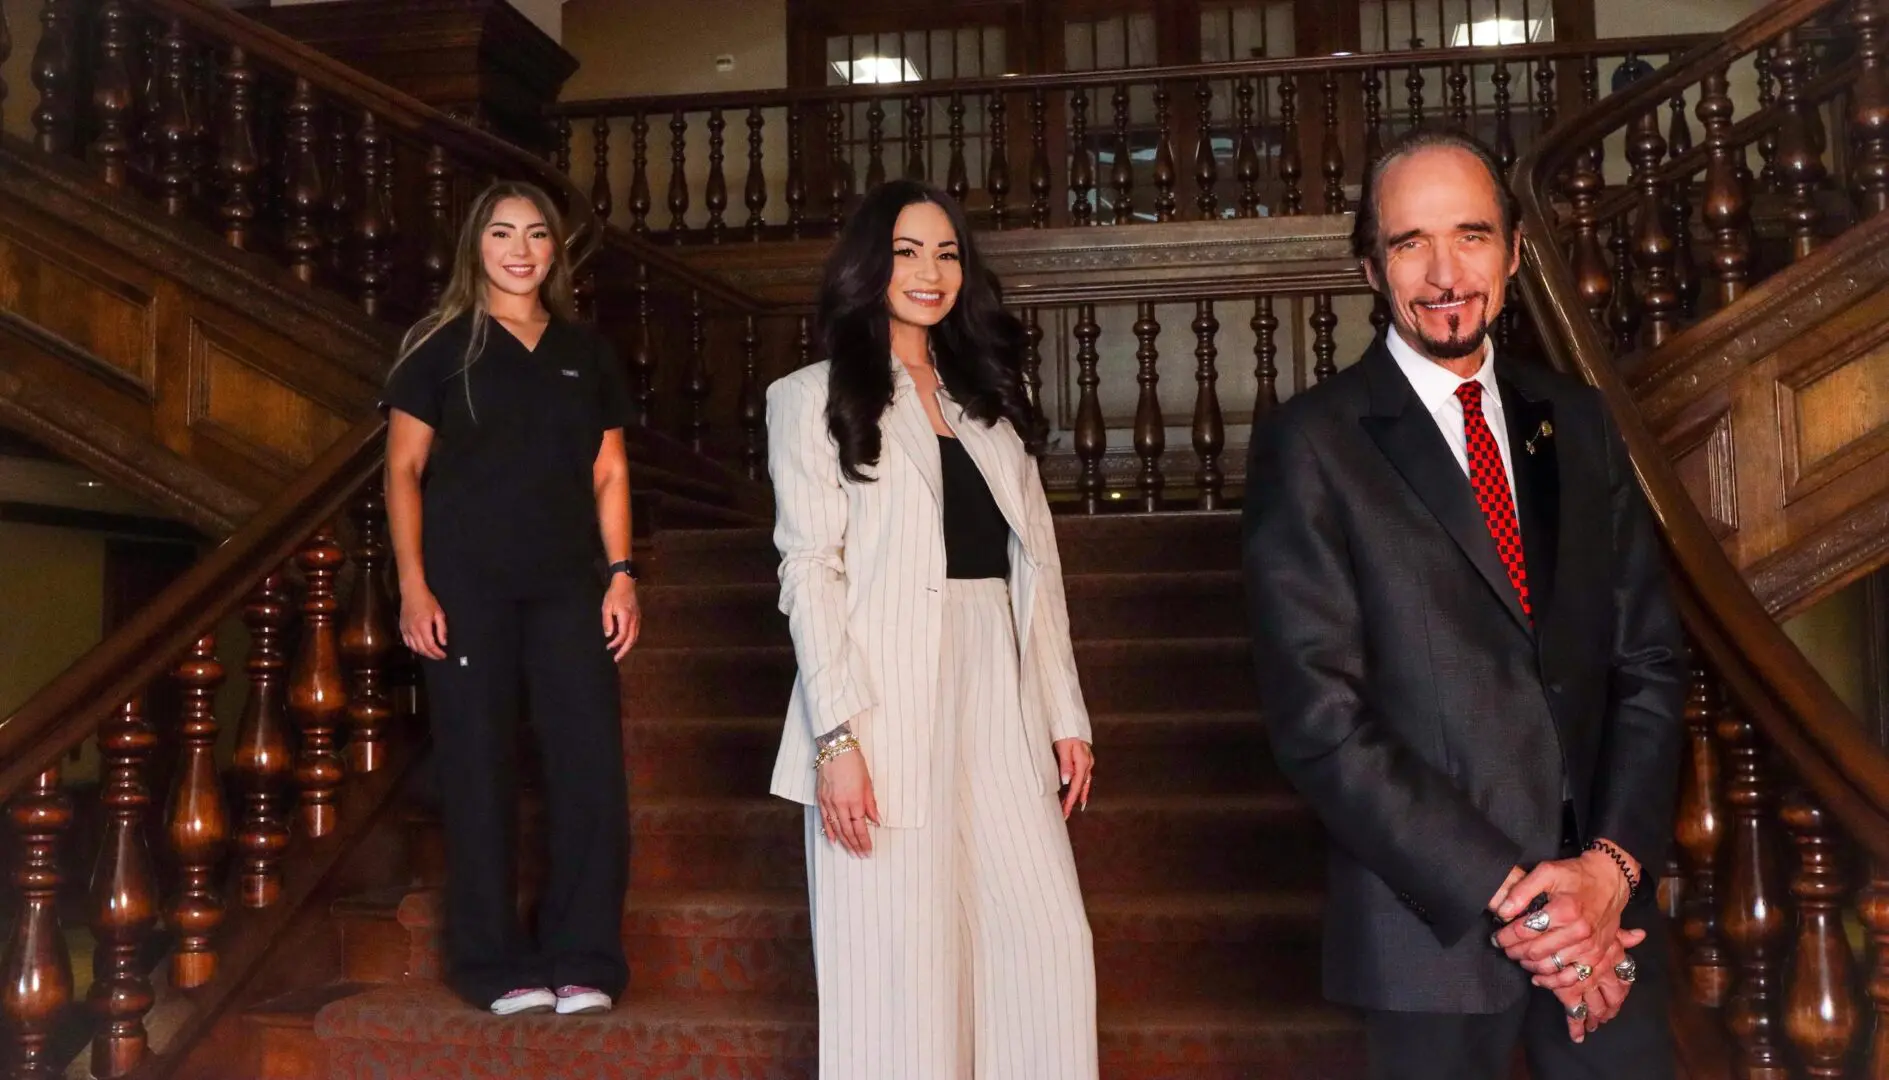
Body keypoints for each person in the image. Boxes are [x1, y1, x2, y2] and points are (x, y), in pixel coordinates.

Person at [1241, 130, 1685, 1079]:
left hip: (1608, 923)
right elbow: (1320, 724)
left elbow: (1646, 663)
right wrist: (1523, 903)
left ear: (1515, 249)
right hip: (1429, 942)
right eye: (1409, 244)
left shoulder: (1577, 419)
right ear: (1370, 265)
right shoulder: (1310, 446)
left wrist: (1607, 873)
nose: (1445, 273)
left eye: (1471, 235)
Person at [766, 180, 1099, 1080]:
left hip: (997, 677)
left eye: (947, 253)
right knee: (896, 964)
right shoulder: (809, 397)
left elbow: (1040, 569)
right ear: (869, 265)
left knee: (1042, 941)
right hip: (878, 700)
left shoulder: (987, 399)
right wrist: (836, 736)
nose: (930, 271)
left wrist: (1064, 713)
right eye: (908, 252)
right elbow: (810, 569)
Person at [382, 181, 640, 1018]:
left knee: (589, 768)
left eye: (536, 234)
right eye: (502, 232)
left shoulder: (584, 352)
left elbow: (608, 471)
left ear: (555, 251)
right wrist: (413, 584)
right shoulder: (438, 347)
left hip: (569, 586)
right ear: (476, 247)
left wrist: (623, 572)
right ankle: (493, 964)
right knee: (478, 768)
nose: (521, 248)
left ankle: (585, 958)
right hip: (467, 588)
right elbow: (403, 471)